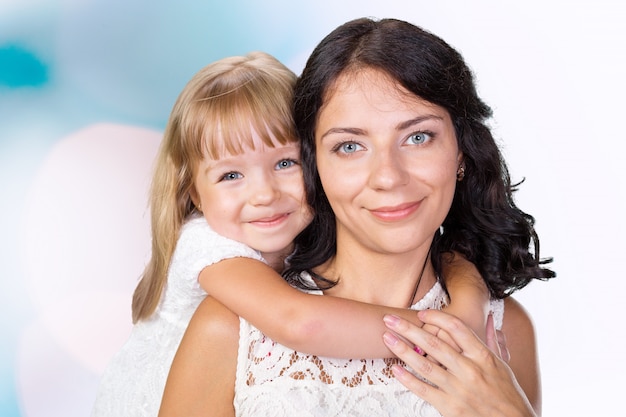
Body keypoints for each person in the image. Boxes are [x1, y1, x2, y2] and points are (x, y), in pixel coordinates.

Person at [159, 17, 554, 417]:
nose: (387, 176)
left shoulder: (503, 328)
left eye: (418, 137)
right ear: (315, 165)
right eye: (349, 146)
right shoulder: (233, 328)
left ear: (462, 154)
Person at [91, 51, 490, 417]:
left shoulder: (310, 229)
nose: (264, 194)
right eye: (231, 175)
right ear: (194, 192)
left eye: (285, 162)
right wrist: (444, 331)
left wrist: (471, 298)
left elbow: (446, 252)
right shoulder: (209, 246)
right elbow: (301, 323)